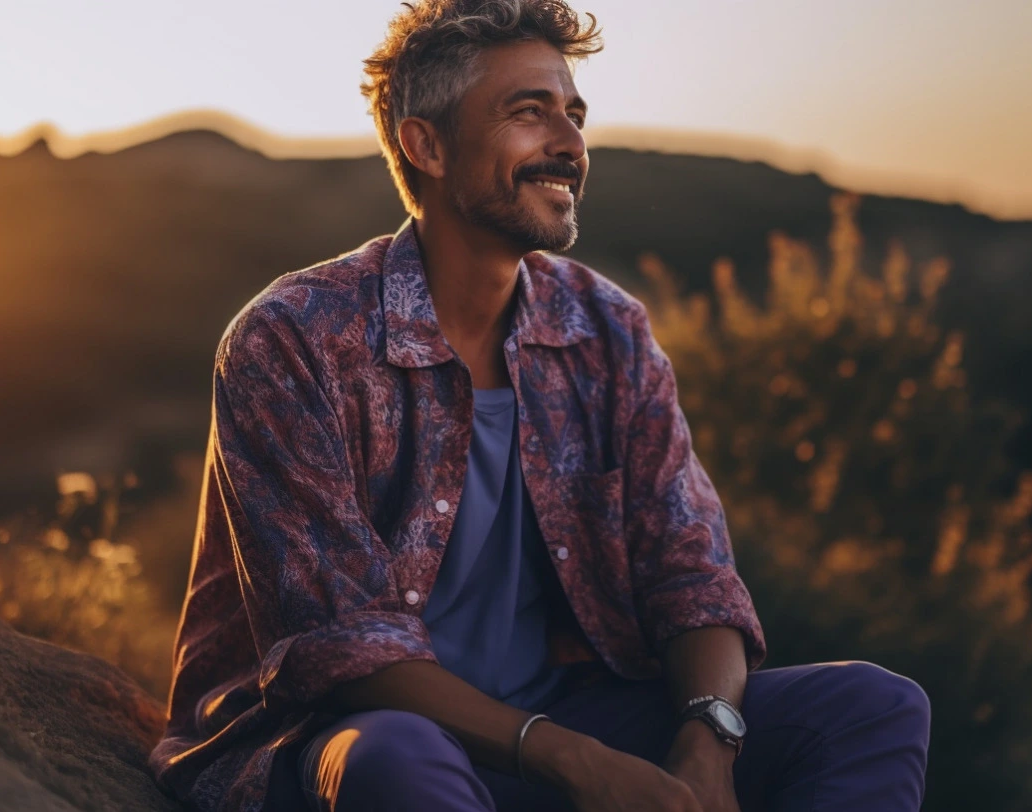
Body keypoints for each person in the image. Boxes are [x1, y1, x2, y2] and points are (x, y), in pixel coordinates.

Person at [149, 1, 931, 809]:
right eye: (530, 113)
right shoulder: (295, 339)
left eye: (575, 115)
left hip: (562, 718)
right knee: (399, 759)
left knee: (873, 706)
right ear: (427, 145)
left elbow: (692, 574)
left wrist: (711, 739)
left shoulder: (609, 331)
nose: (570, 144)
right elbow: (342, 652)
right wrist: (571, 760)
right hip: (347, 736)